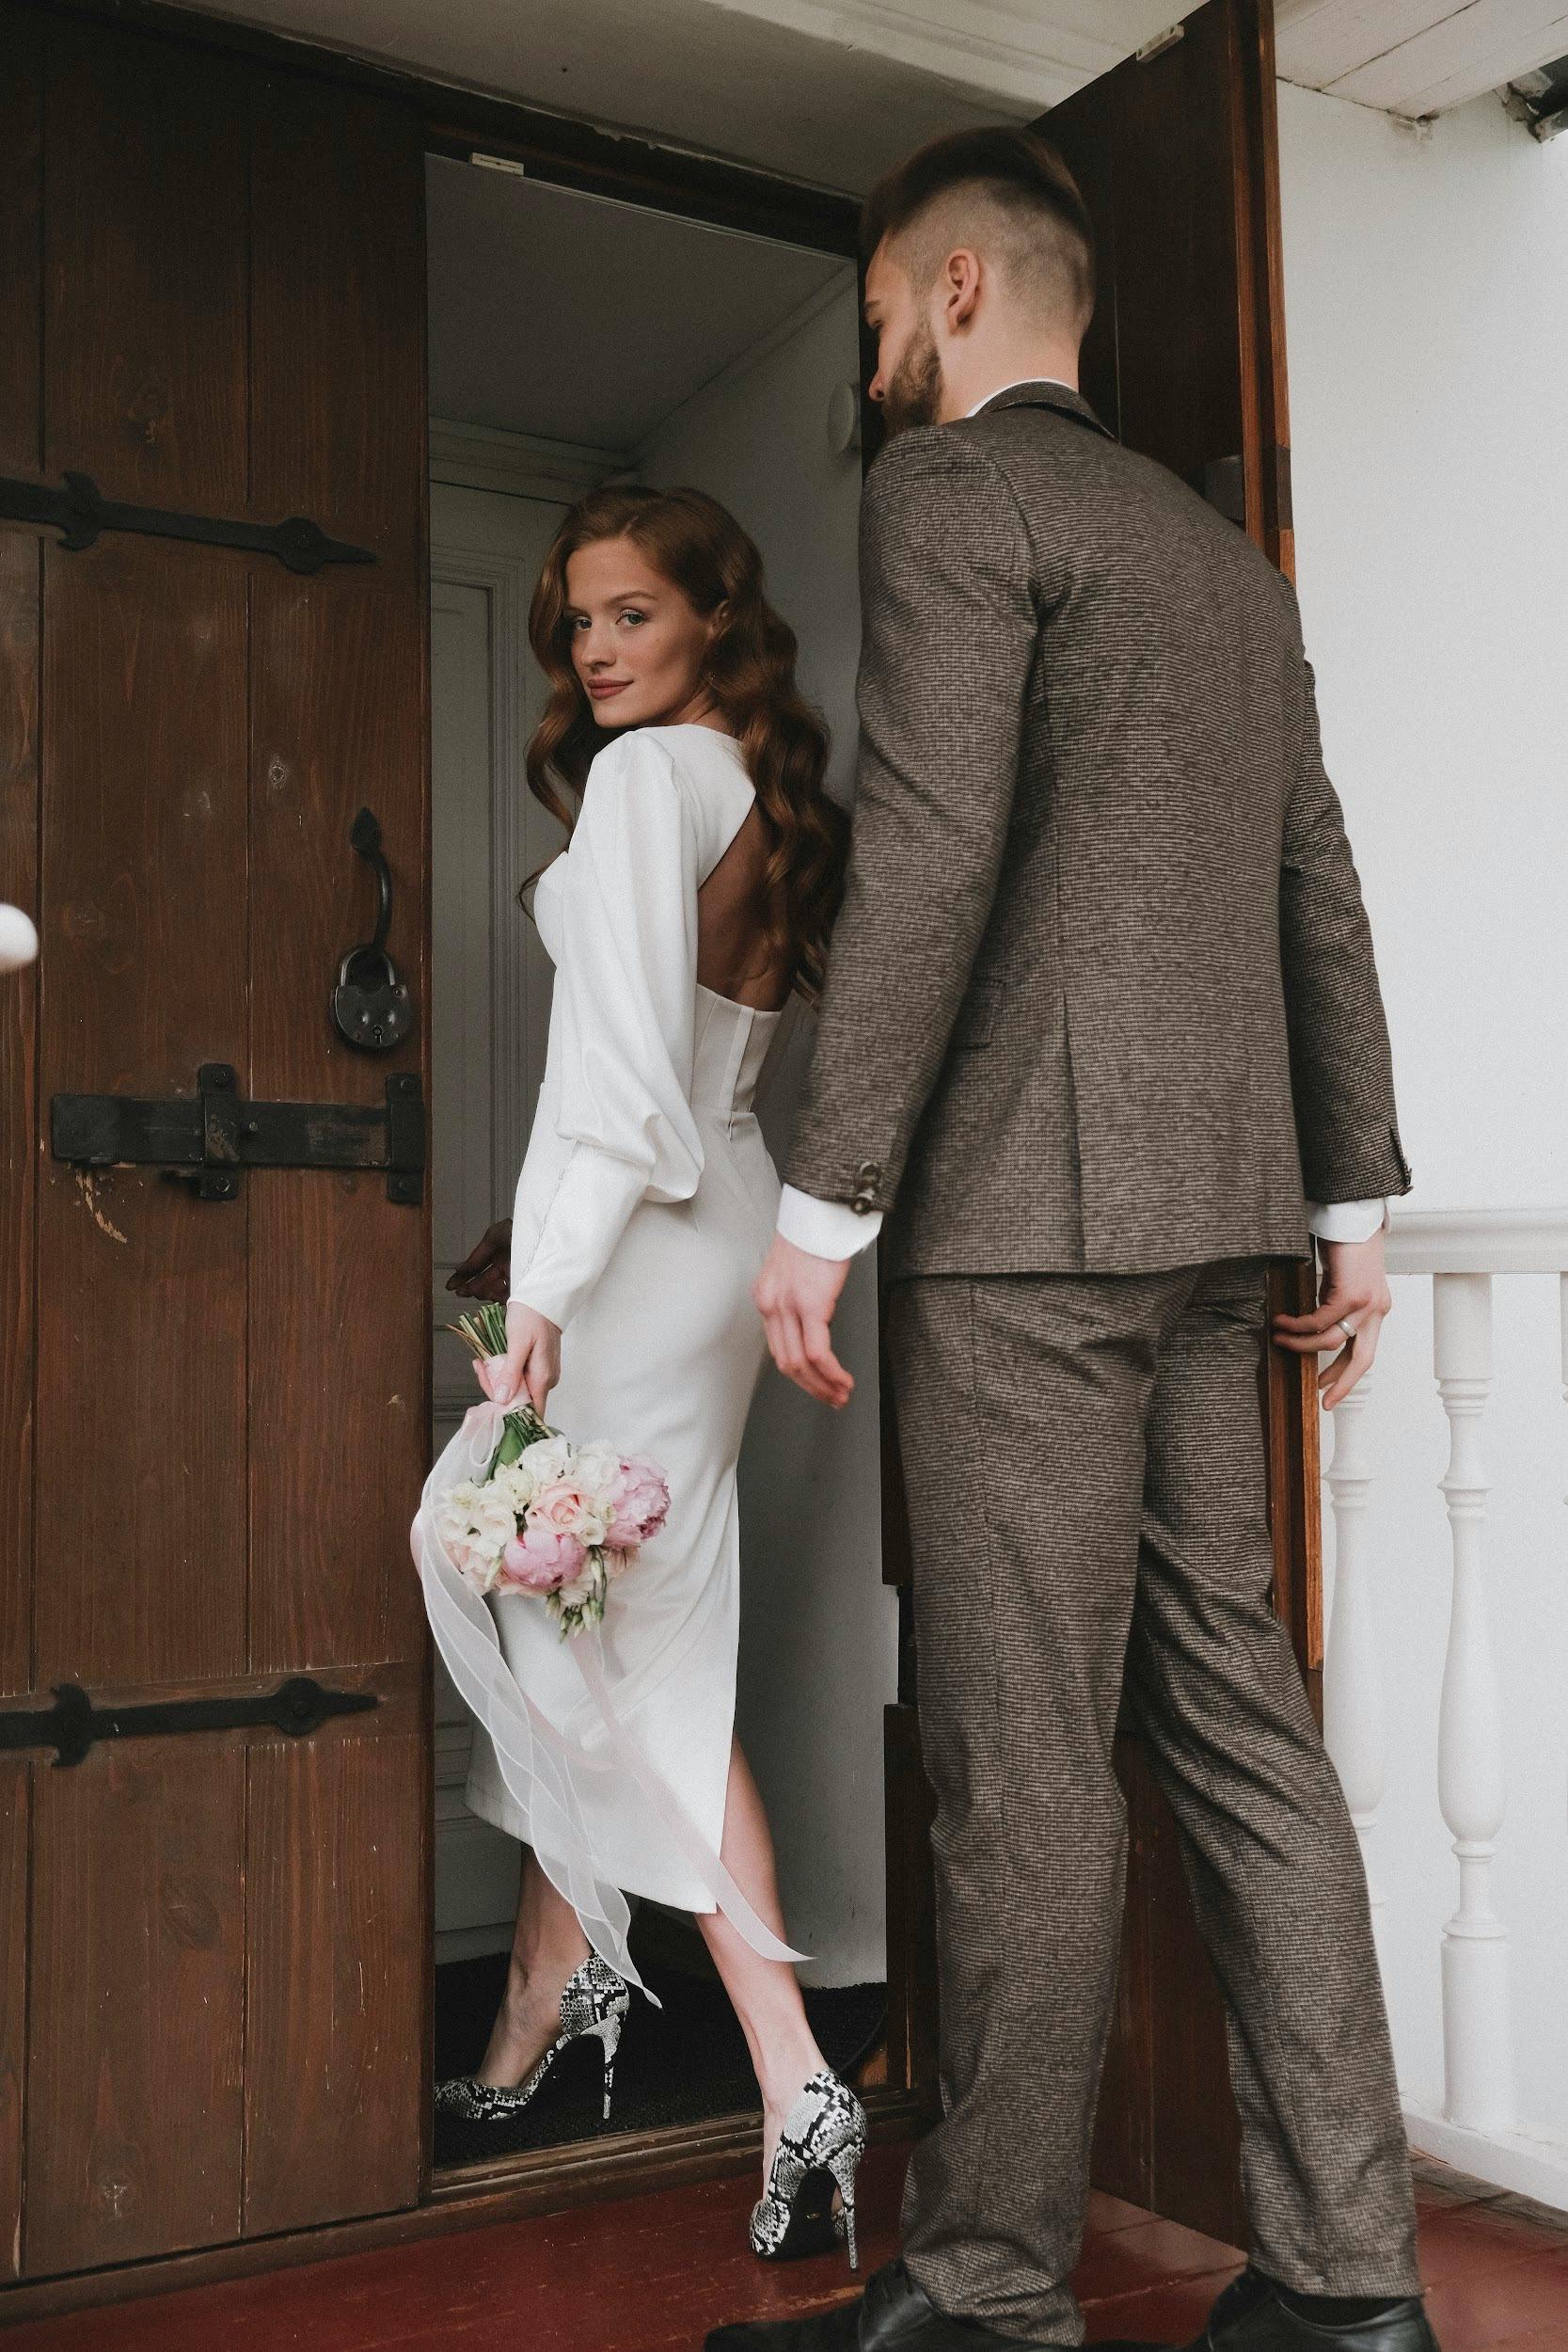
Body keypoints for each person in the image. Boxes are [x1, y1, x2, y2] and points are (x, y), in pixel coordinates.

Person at [710, 129, 1437, 2352]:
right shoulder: (1230, 557)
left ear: (946, 290)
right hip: (1223, 1219)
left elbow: (926, 851)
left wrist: (821, 1201)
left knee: (1017, 1761)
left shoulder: (953, 499)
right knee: (1245, 1727)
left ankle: (996, 2292)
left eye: (871, 328)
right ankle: (1350, 2279)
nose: (877, 375)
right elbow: (1317, 870)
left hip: (1023, 1225)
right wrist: (1351, 1198)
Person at [426, 485, 868, 2266]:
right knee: (595, 1625)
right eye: (579, 623)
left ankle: (789, 2066)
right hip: (722, 1213)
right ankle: (557, 1993)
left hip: (643, 1232)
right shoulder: (755, 783)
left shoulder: (643, 781)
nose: (598, 650)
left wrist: (542, 1281)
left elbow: (611, 1075)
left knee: (609, 1636)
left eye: (630, 614)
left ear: (709, 615)